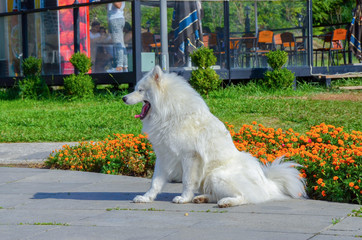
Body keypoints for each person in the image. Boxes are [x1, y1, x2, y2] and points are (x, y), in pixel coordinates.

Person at [107, 2, 128, 72]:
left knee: (118, 43)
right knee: (121, 43)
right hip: (116, 19)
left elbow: (119, 5)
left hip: (115, 19)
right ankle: (124, 66)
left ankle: (119, 67)